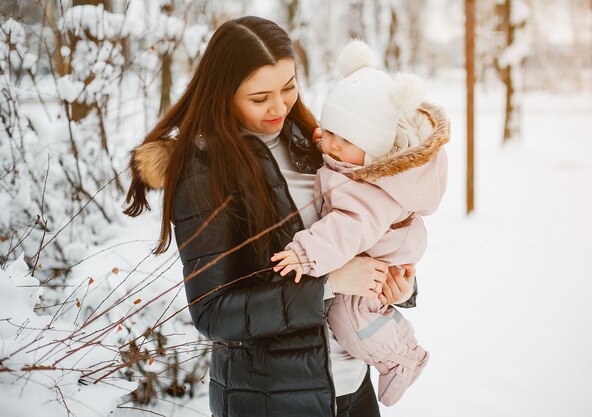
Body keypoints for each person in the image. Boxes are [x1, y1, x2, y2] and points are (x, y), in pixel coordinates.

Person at [123, 16, 417, 417]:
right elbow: (213, 312)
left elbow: (366, 225)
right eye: (260, 98)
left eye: (289, 86)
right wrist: (327, 284)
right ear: (223, 94)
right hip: (272, 400)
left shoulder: (316, 143)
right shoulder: (204, 169)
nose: (279, 106)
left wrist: (393, 284)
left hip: (353, 391)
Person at [271, 40, 449, 406]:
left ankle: (401, 358)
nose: (331, 146)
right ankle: (402, 351)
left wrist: (305, 253)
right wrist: (334, 137)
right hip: (374, 254)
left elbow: (347, 227)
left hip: (372, 251)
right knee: (364, 313)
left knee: (351, 319)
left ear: (374, 146)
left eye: (345, 140)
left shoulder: (365, 188)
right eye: (330, 133)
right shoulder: (357, 163)